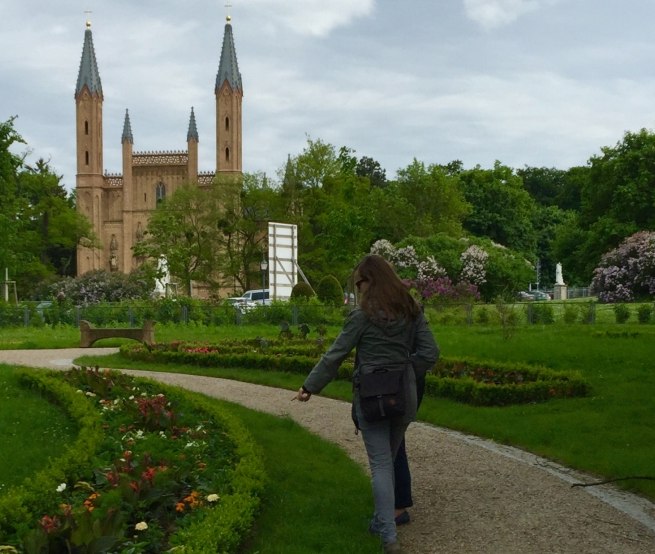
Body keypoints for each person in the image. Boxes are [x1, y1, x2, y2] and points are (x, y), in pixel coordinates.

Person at [296, 254, 438, 554]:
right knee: (390, 457)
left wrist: (310, 386)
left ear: (370, 281)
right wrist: (408, 372)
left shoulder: (363, 316)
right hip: (404, 395)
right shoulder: (412, 311)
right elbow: (430, 353)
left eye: (359, 283)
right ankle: (382, 523)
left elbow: (335, 354)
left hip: (373, 396)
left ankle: (388, 538)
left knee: (381, 465)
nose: (358, 289)